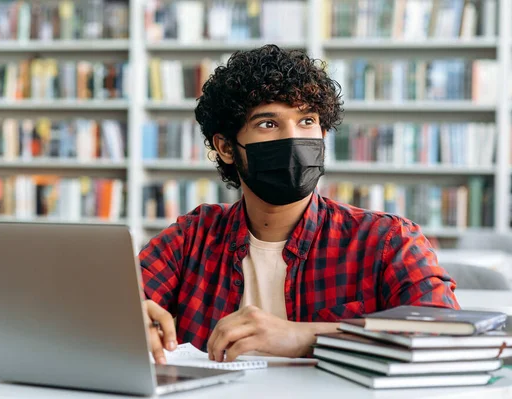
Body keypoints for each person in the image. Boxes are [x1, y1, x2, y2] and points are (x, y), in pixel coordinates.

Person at [139, 45, 459, 365]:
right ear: (225, 147)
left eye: (307, 120)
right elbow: (112, 307)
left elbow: (446, 333)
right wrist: (130, 319)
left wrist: (306, 336)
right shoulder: (191, 239)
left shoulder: (387, 240)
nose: (293, 139)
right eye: (268, 123)